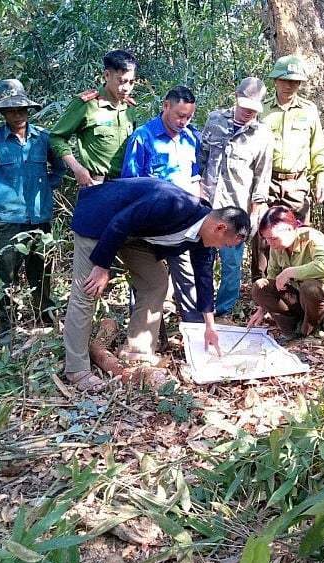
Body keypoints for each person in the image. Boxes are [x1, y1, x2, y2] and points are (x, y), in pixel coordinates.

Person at [62, 178, 249, 392]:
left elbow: (204, 278)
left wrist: (209, 326)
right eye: (225, 243)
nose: (222, 248)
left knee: (156, 281)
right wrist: (102, 266)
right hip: (100, 220)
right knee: (87, 290)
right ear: (220, 227)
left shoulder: (203, 237)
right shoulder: (172, 203)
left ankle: (137, 350)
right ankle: (76, 369)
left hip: (132, 234)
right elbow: (121, 221)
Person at [0, 79, 66, 339]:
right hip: (9, 218)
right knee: (7, 273)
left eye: (21, 109)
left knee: (41, 270)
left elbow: (60, 166)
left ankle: (44, 318)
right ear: (2, 113)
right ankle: (7, 328)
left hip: (39, 214)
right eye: (11, 110)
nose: (17, 114)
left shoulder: (43, 139)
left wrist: (47, 187)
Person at [120, 86, 203, 326]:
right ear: (165, 106)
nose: (183, 121)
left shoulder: (190, 138)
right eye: (179, 115)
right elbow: (131, 184)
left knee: (186, 276)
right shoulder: (143, 137)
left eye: (188, 117)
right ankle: (141, 332)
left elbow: (194, 176)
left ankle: (192, 327)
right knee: (146, 279)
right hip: (149, 223)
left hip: (181, 223)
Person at [199, 77, 273, 320]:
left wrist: (256, 212)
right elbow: (202, 157)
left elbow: (262, 178)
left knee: (232, 265)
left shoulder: (262, 135)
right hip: (207, 205)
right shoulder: (215, 119)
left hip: (236, 210)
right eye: (244, 107)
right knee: (202, 261)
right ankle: (199, 310)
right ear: (235, 97)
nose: (247, 113)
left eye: (253, 110)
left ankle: (224, 312)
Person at [254, 56, 324, 279]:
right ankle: (262, 286)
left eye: (295, 82)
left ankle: (296, 283)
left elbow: (317, 147)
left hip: (297, 182)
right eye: (284, 80)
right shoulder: (262, 110)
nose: (289, 86)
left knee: (298, 234)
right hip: (267, 181)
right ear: (275, 81)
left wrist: (321, 177)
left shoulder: (308, 110)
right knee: (263, 236)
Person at [247, 206, 324, 344]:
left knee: (310, 287)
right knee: (260, 287)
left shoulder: (312, 237)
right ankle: (293, 329)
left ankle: (312, 331)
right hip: (302, 302)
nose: (270, 243)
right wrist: (262, 310)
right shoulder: (277, 248)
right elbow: (272, 278)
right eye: (267, 239)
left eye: (273, 238)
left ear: (290, 229)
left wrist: (291, 272)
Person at [49, 49, 137, 186]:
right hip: (96, 184)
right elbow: (56, 137)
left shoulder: (130, 108)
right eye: (122, 81)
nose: (126, 88)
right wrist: (77, 168)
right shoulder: (87, 104)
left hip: (126, 183)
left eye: (131, 82)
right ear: (107, 75)